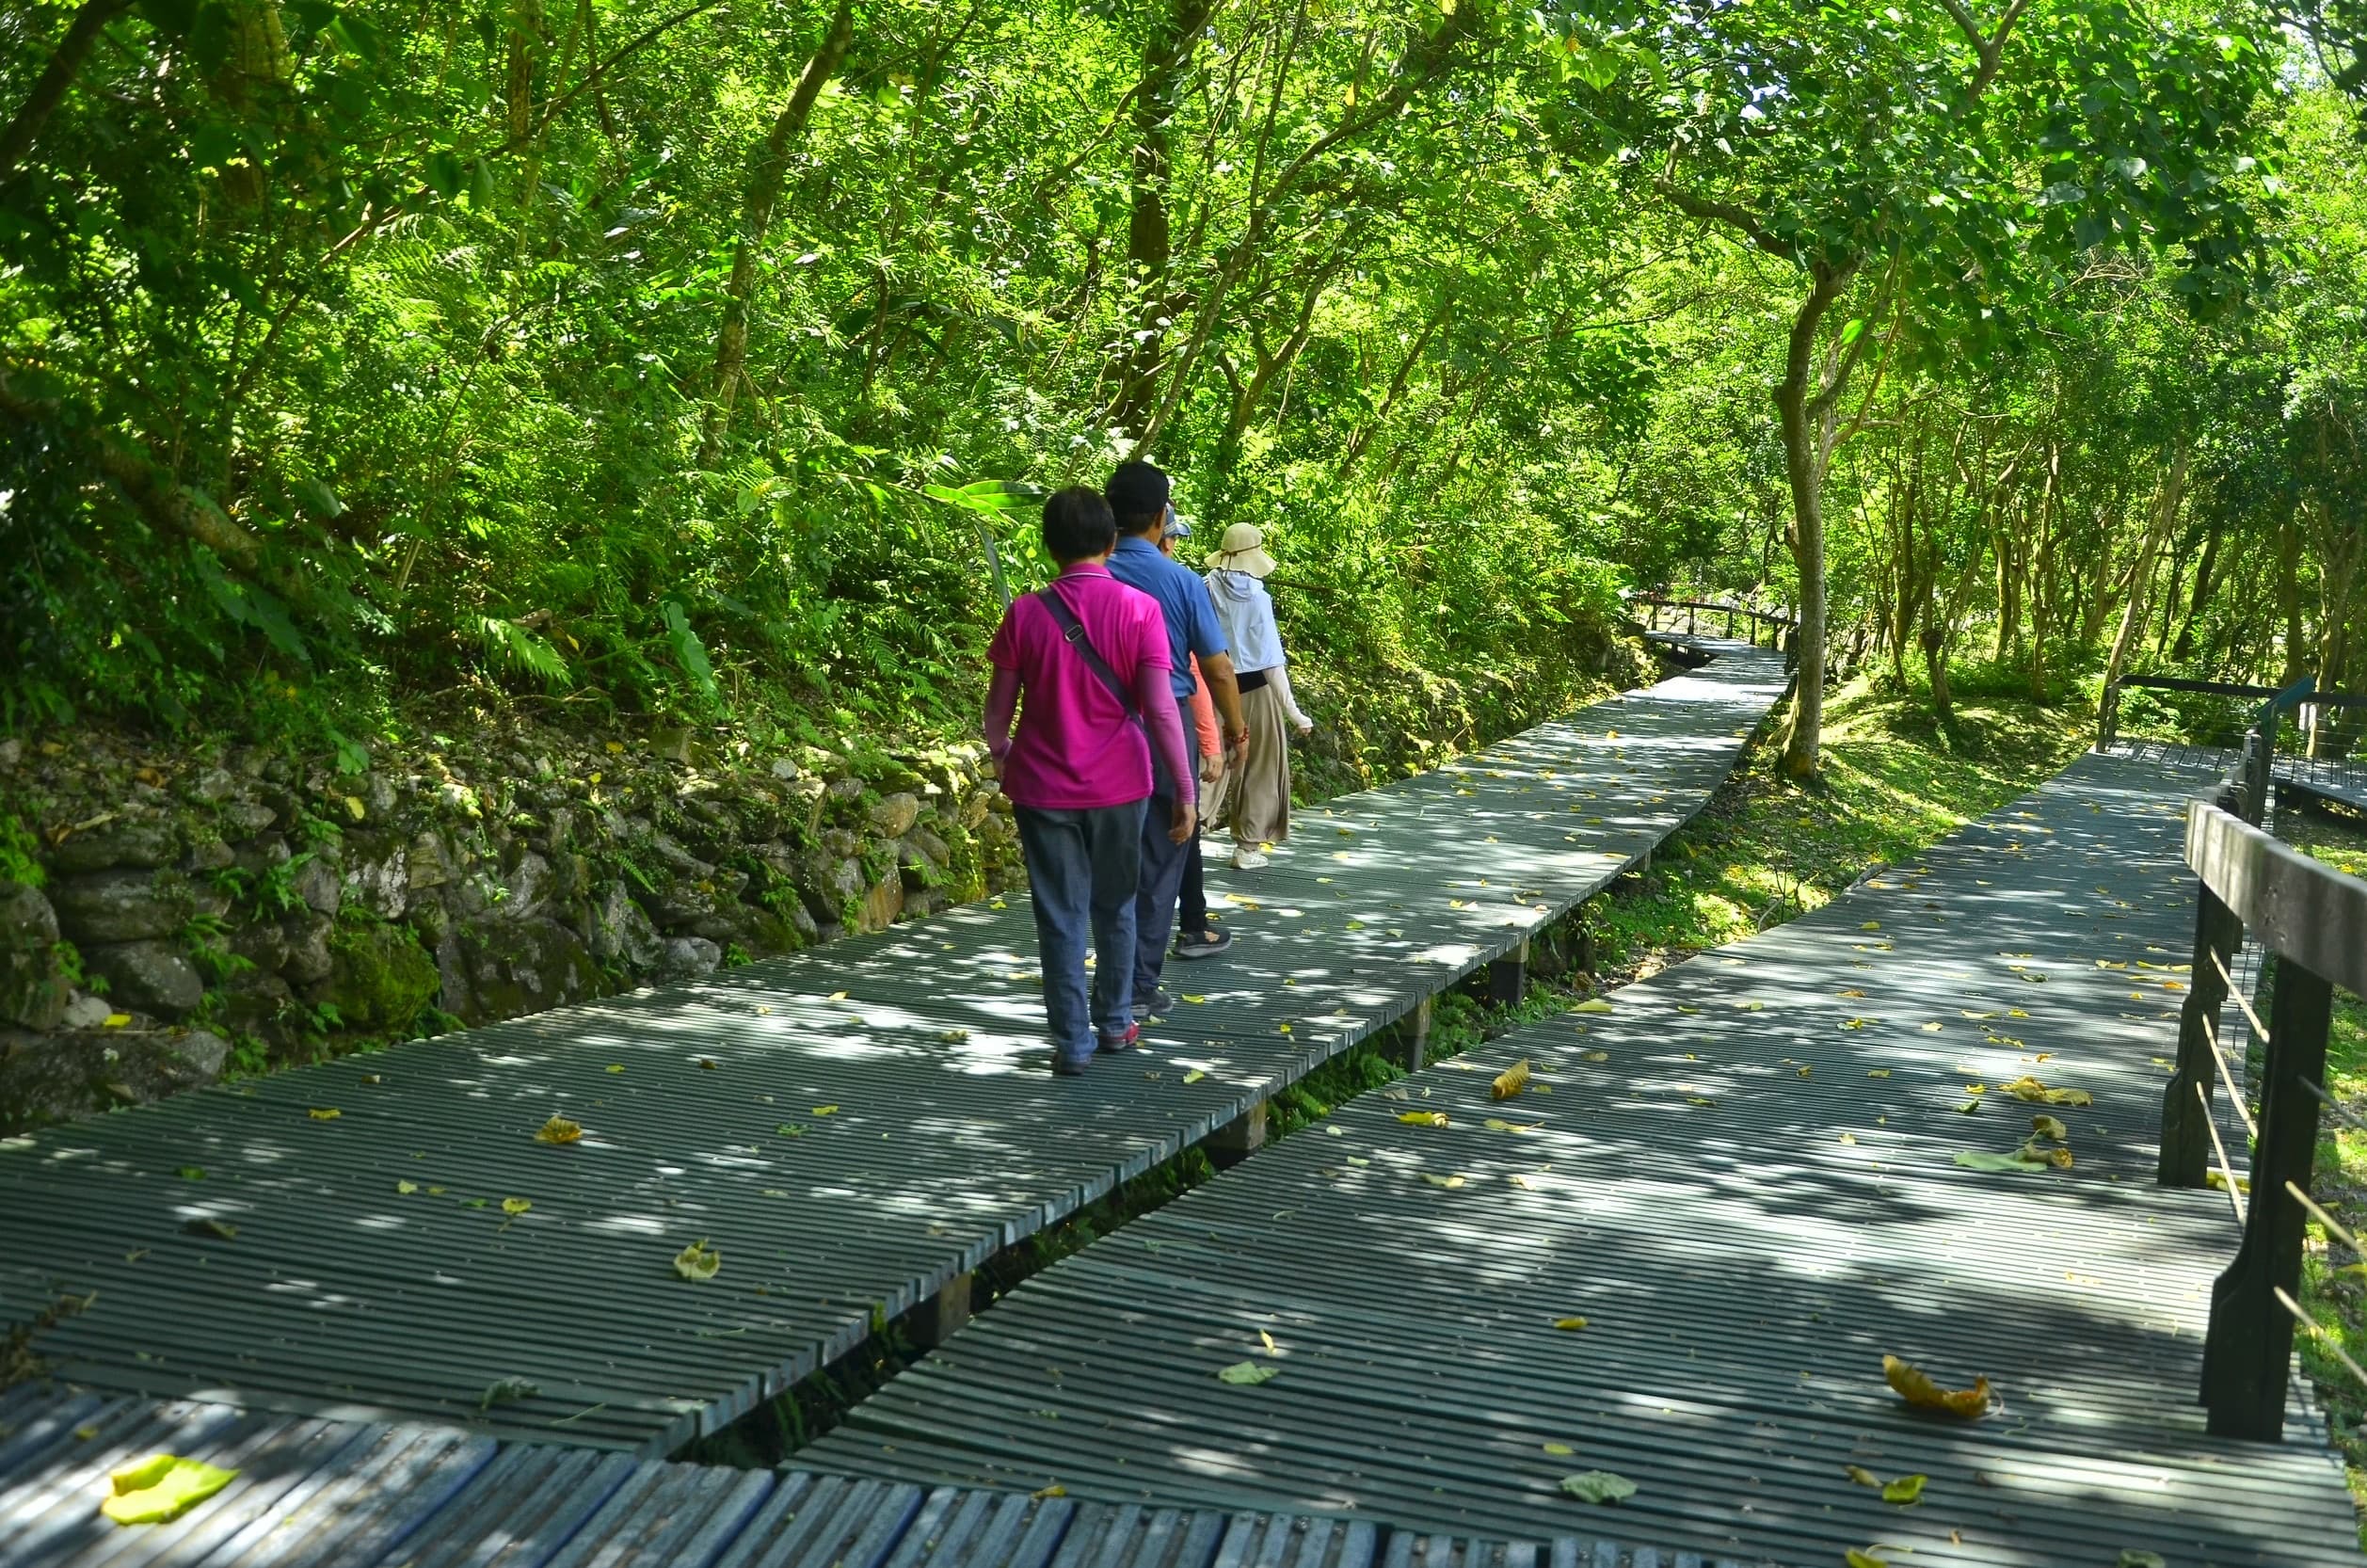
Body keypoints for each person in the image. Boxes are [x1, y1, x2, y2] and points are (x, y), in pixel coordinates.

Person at [983, 487, 1195, 1075]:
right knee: (1116, 907)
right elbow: (1158, 711)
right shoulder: (1138, 610)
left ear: (1050, 547)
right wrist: (1185, 789)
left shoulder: (1026, 612)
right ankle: (1115, 1021)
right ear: (1109, 542)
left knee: (1060, 914)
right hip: (1122, 786)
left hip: (1042, 788)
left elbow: (997, 713)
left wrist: (1003, 752)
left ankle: (1071, 1041)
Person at [1104, 460, 1247, 1018]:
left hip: (1098, 725)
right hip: (1166, 726)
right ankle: (1135, 987)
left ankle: (1102, 982)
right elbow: (1216, 670)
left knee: (1108, 856)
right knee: (1163, 857)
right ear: (1162, 518)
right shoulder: (1182, 583)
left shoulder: (1087, 576)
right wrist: (1236, 731)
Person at [1202, 521, 1312, 870]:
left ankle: (1188, 834)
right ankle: (1247, 848)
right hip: (1256, 690)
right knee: (1262, 766)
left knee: (1206, 764)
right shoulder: (1258, 596)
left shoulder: (1201, 588)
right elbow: (1270, 661)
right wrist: (1294, 712)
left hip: (1210, 688)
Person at [1160, 512, 1234, 960]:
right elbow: (1204, 672)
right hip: (1170, 726)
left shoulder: (1092, 584)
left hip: (1102, 736)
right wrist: (1215, 741)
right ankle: (1191, 927)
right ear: (1161, 535)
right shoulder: (1180, 584)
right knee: (1181, 830)